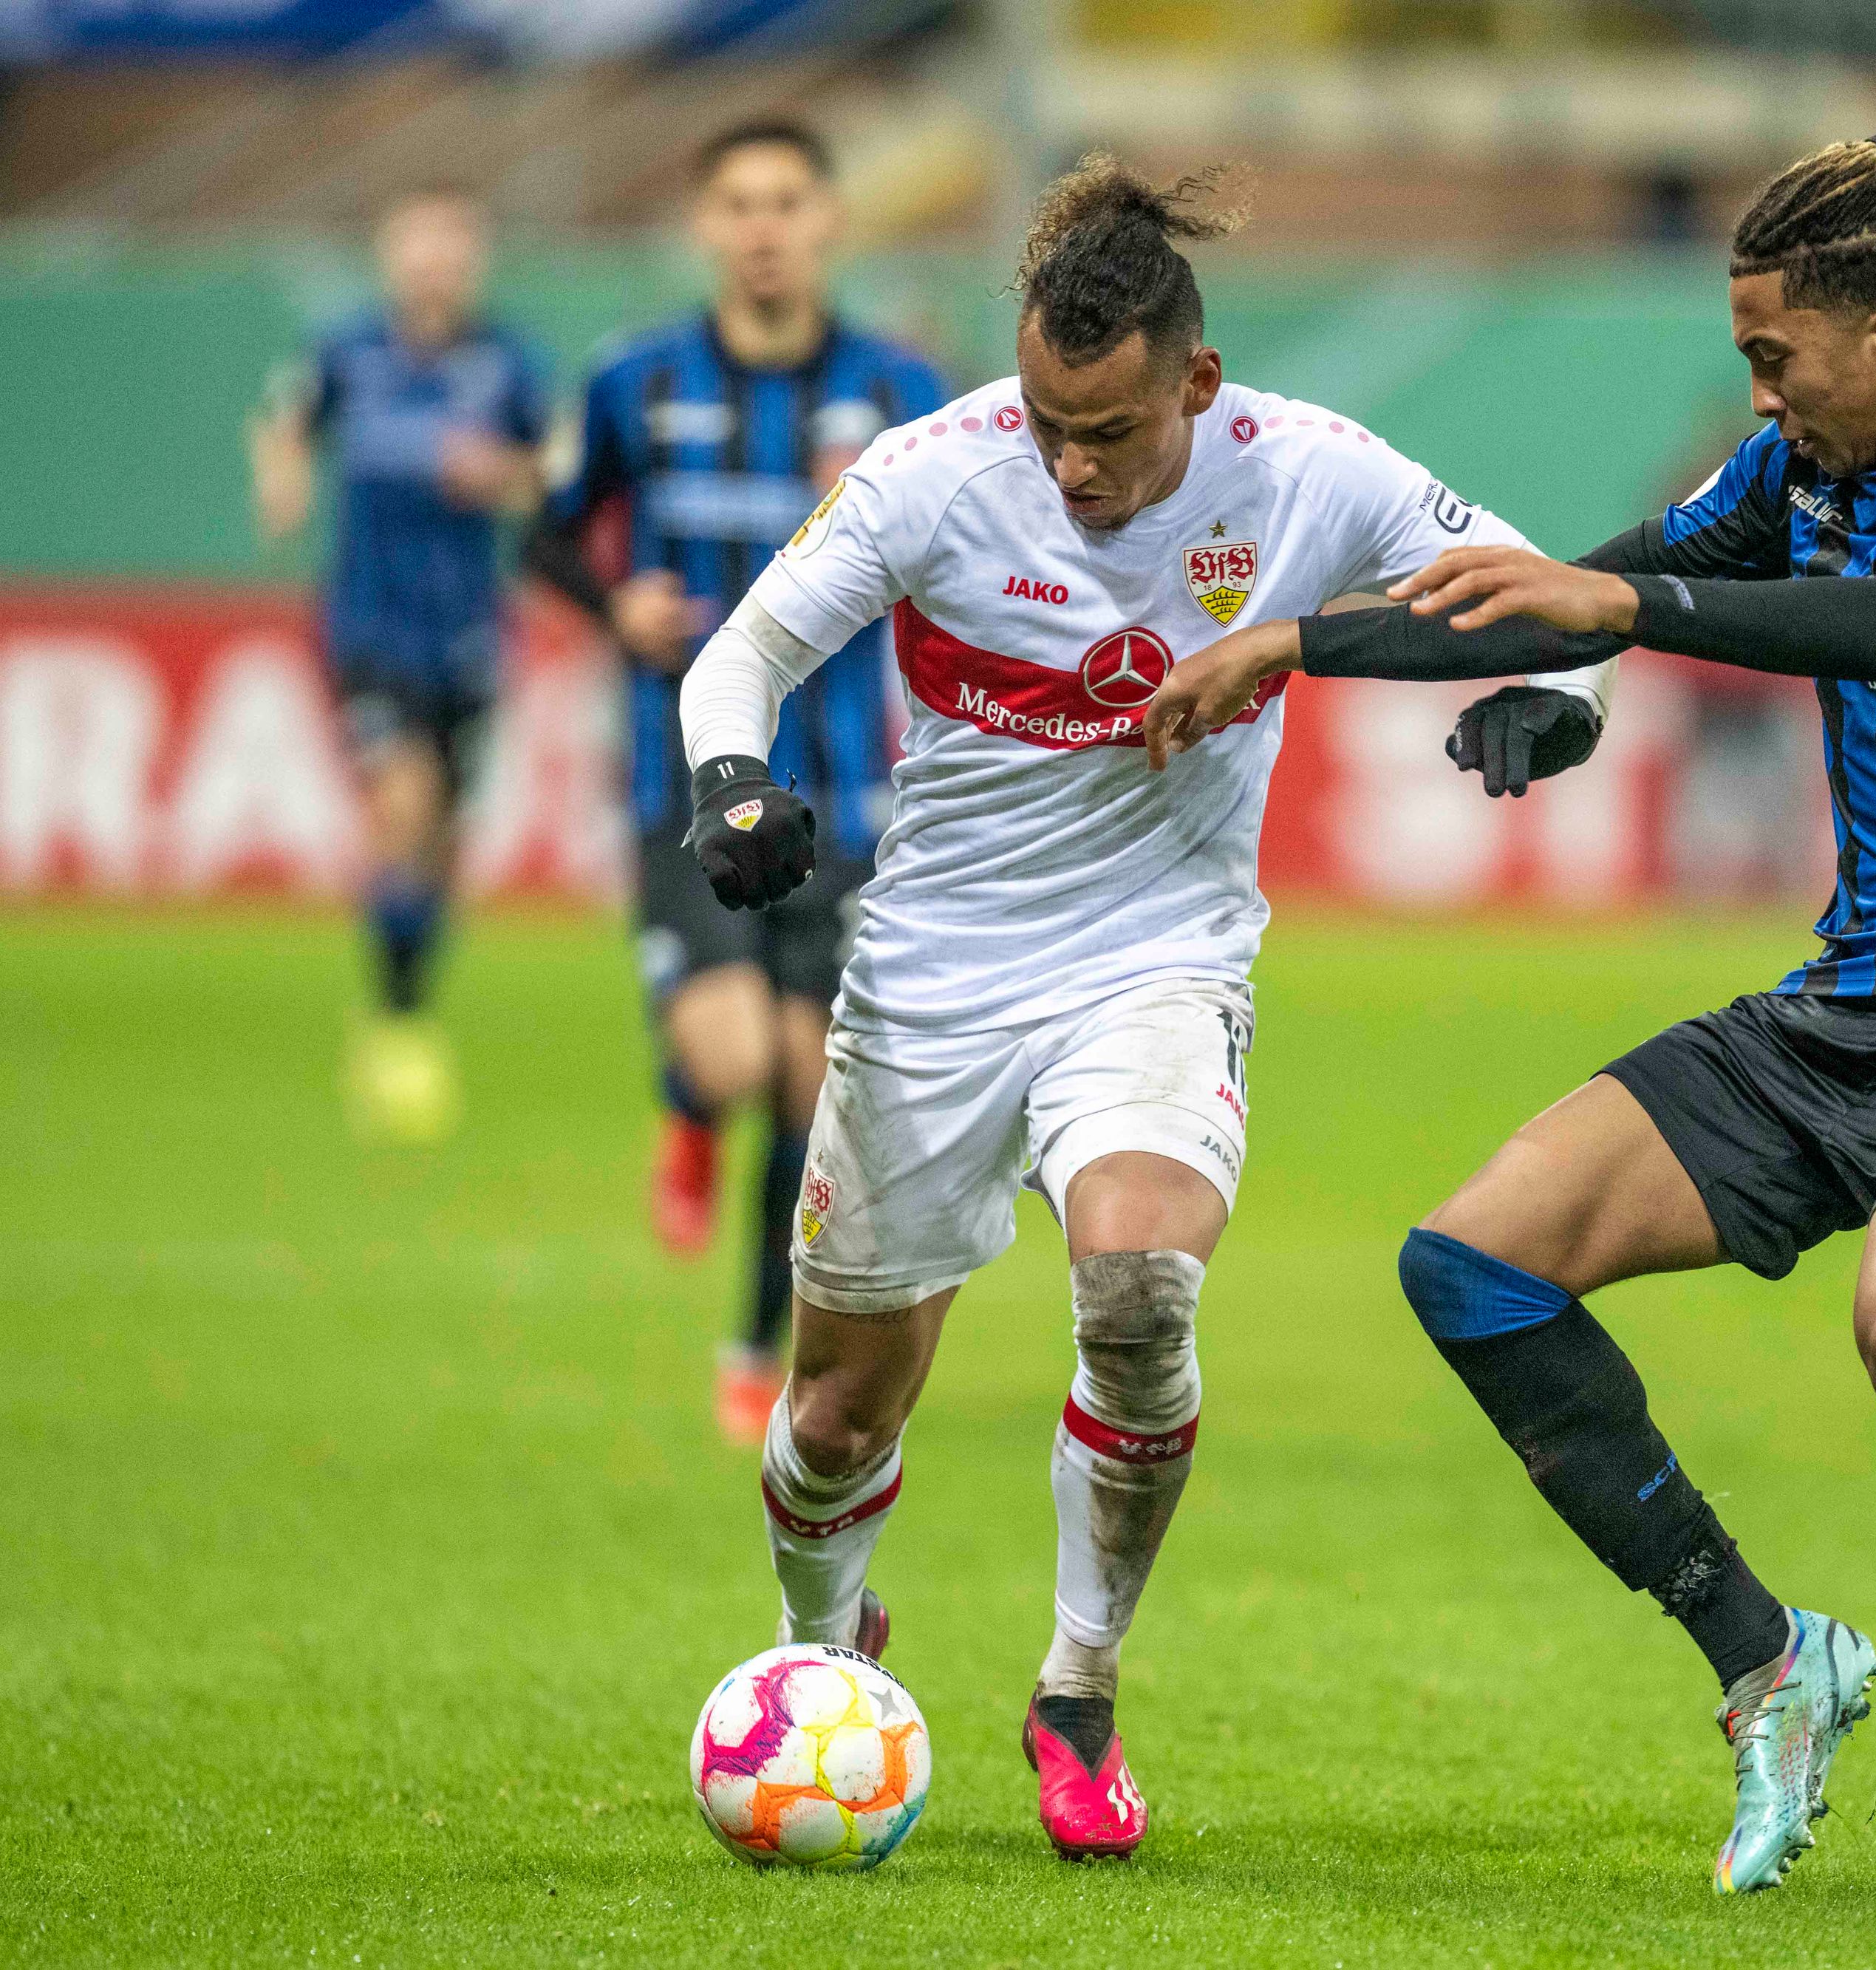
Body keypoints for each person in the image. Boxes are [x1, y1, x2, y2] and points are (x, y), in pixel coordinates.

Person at [1142, 75, 1876, 1917]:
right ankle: (1768, 1658)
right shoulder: (1802, 467)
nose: (1758, 391)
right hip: (1849, 986)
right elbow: (1582, 589)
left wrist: (1624, 626)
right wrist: (1300, 646)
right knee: (1470, 1260)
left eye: (1772, 356)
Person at [670, 154, 1610, 1859]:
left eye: (1108, 430)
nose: (1075, 466)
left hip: (1155, 962)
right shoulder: (930, 474)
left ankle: (1077, 1694)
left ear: (1195, 381)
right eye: (1048, 423)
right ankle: (825, 1661)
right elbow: (734, 655)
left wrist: (1552, 696)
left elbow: (1540, 595)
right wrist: (733, 783)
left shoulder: (1307, 470)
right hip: (932, 982)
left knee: (1137, 1288)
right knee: (833, 1419)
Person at [525, 120, 945, 1445]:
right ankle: (686, 1105)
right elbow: (545, 527)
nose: (763, 228)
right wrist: (614, 599)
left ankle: (752, 1345)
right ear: (705, 226)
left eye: (788, 202)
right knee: (735, 1053)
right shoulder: (631, 381)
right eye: (738, 204)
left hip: (851, 800)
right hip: (686, 779)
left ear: (830, 223)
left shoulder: (903, 388)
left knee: (813, 1094)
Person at [248, 187, 550, 1145]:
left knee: (446, 841)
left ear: (473, 259)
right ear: (391, 256)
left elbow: (555, 471)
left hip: (469, 631)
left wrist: (498, 474)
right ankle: (394, 1023)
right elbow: (285, 419)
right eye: (417, 245)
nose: (433, 263)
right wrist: (284, 477)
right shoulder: (347, 353)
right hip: (370, 628)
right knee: (403, 802)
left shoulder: (507, 364)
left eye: (451, 246)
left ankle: (410, 992)